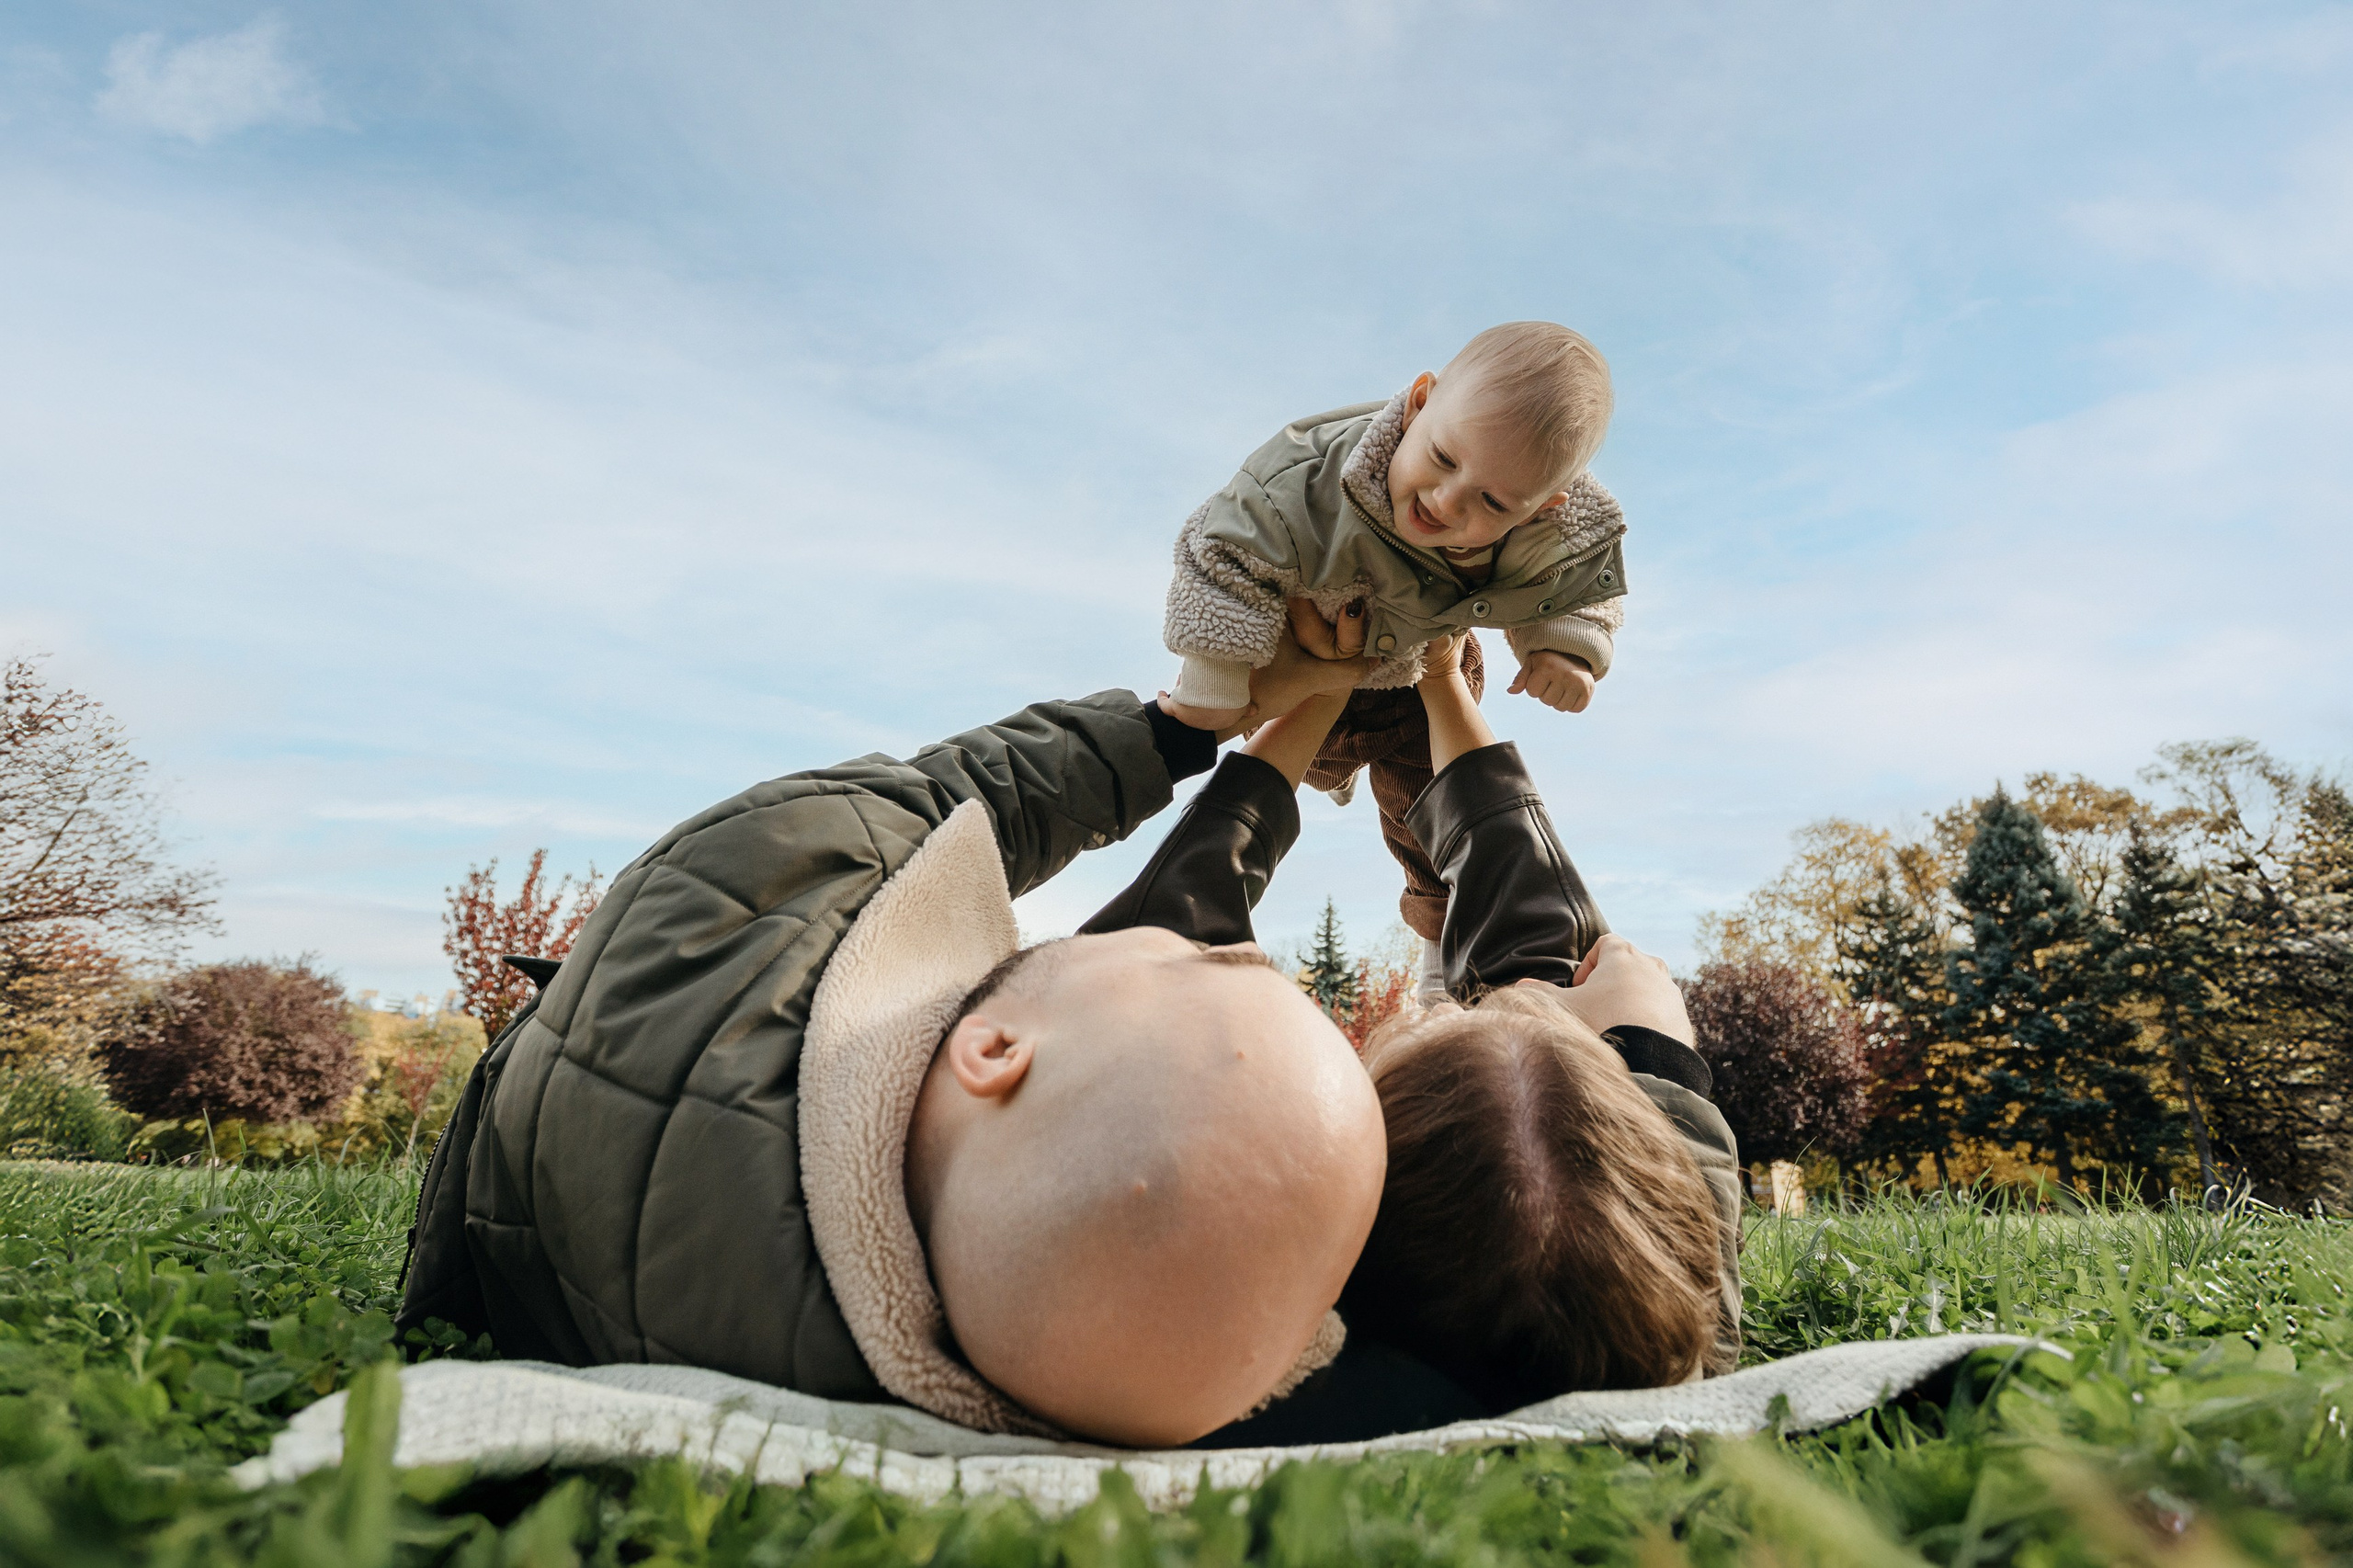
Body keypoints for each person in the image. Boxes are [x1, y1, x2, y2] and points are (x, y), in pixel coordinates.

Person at [397, 633, 1390, 1449]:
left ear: (994, 1049)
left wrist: (1183, 722)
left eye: (1188, 963)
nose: (1179, 935)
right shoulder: (928, 1384)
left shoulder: (738, 916)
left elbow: (962, 795)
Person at [1086, 631, 1740, 1441]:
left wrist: (1320, 695)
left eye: (1425, 1025)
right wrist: (1438, 681)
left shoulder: (1187, 1360)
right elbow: (1670, 1200)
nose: (1438, 1004)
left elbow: (1132, 962)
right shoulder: (1674, 1333)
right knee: (1541, 988)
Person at [1156, 323, 1631, 994]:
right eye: (1441, 459)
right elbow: (1223, 550)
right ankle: (1309, 796)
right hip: (1308, 659)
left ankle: (1441, 949)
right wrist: (1216, 676)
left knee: (1423, 815)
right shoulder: (1308, 480)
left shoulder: (1556, 525)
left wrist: (1568, 652)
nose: (1447, 501)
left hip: (1423, 681)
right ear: (1418, 403)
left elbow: (1571, 577)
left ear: (1538, 509)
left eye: (1492, 503)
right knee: (1308, 764)